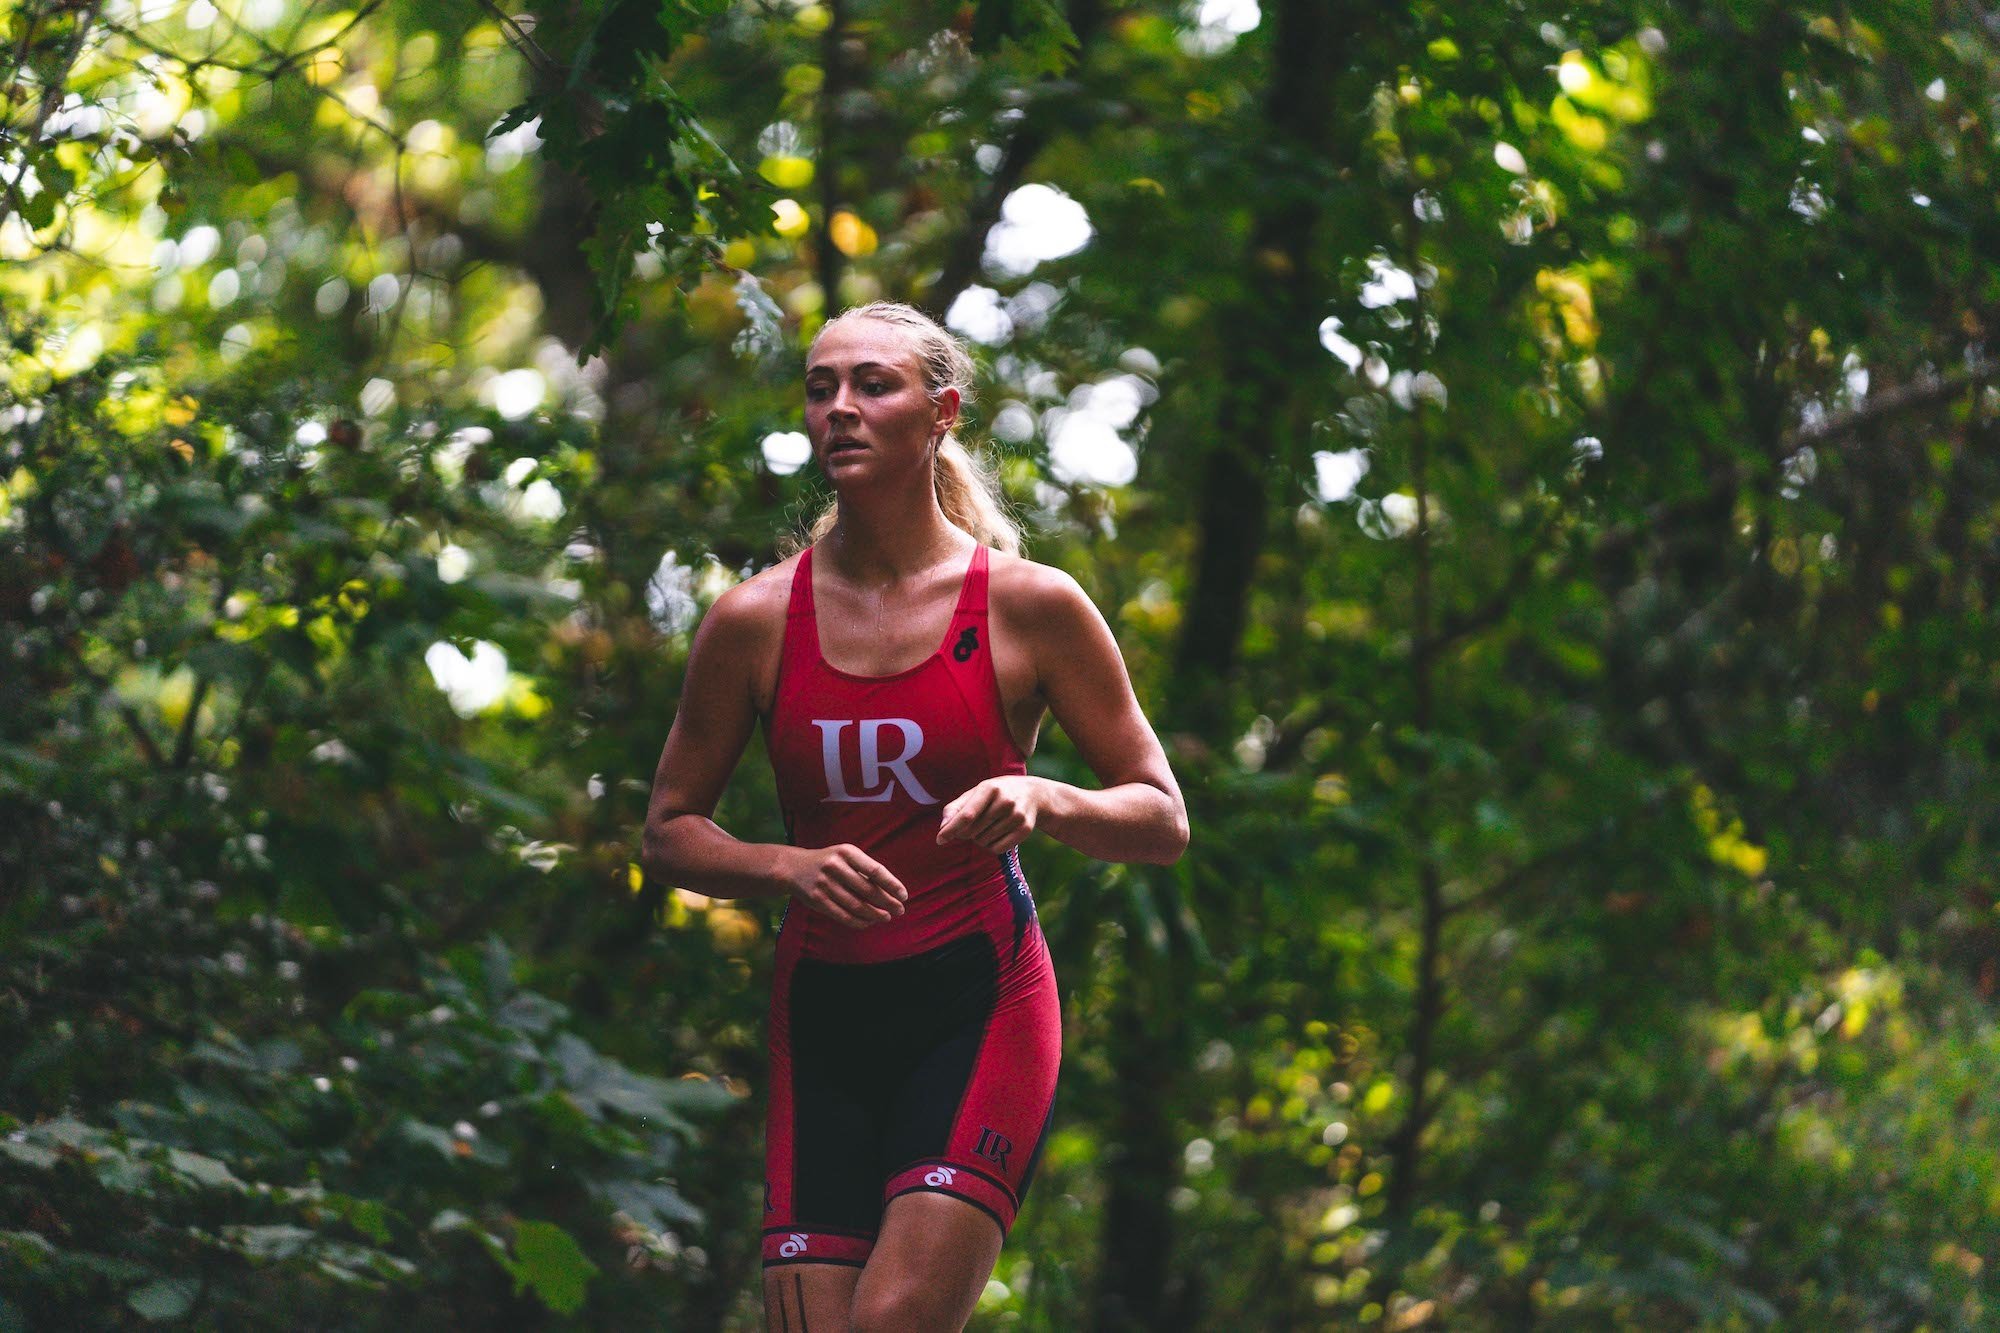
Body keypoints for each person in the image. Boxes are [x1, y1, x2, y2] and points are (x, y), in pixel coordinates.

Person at [642, 301, 1188, 1332]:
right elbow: (668, 829)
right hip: (823, 1015)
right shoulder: (755, 619)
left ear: (939, 413)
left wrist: (1042, 794)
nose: (839, 407)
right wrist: (780, 867)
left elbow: (1158, 814)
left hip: (974, 1002)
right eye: (820, 386)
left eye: (872, 384)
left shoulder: (1029, 605)